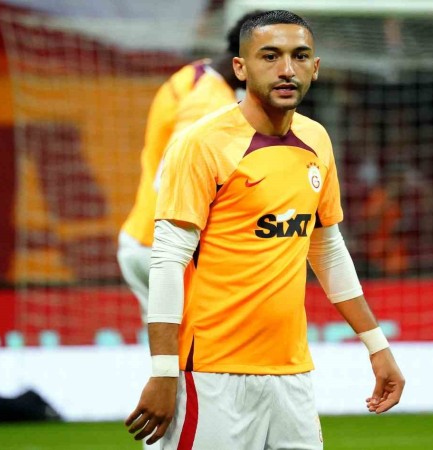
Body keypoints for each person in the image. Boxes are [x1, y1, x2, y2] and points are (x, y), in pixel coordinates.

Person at [124, 10, 406, 449]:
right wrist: (163, 371)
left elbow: (327, 250)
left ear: (316, 67)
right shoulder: (201, 144)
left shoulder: (317, 140)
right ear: (240, 67)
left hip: (292, 374)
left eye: (300, 56)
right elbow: (166, 262)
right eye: (270, 56)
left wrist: (377, 345)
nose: (286, 69)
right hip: (212, 374)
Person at [117, 12, 261, 327]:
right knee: (208, 350)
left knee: (177, 354)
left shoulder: (196, 74)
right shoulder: (208, 106)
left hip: (146, 239)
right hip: (168, 250)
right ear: (243, 63)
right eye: (271, 59)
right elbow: (171, 176)